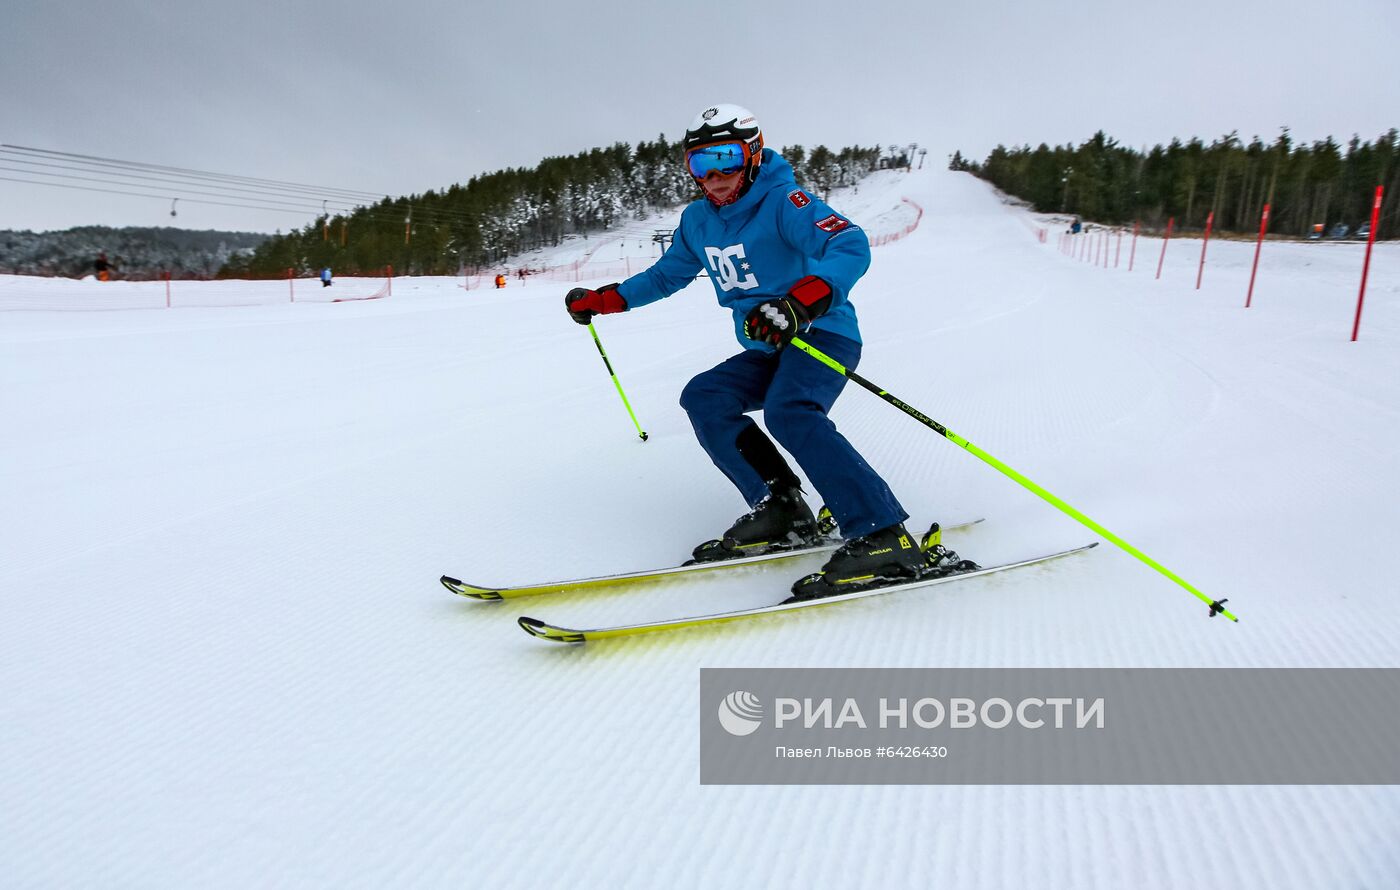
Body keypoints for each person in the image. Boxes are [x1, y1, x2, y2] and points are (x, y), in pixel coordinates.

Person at [563, 104, 965, 601]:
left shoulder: (784, 202)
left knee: (790, 411)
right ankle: (780, 506)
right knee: (706, 396)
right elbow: (667, 275)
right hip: (768, 346)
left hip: (820, 333)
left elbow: (850, 245)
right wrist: (608, 299)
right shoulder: (697, 222)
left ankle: (883, 534)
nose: (713, 177)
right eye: (699, 164)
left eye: (726, 159)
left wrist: (801, 301)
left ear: (752, 154)